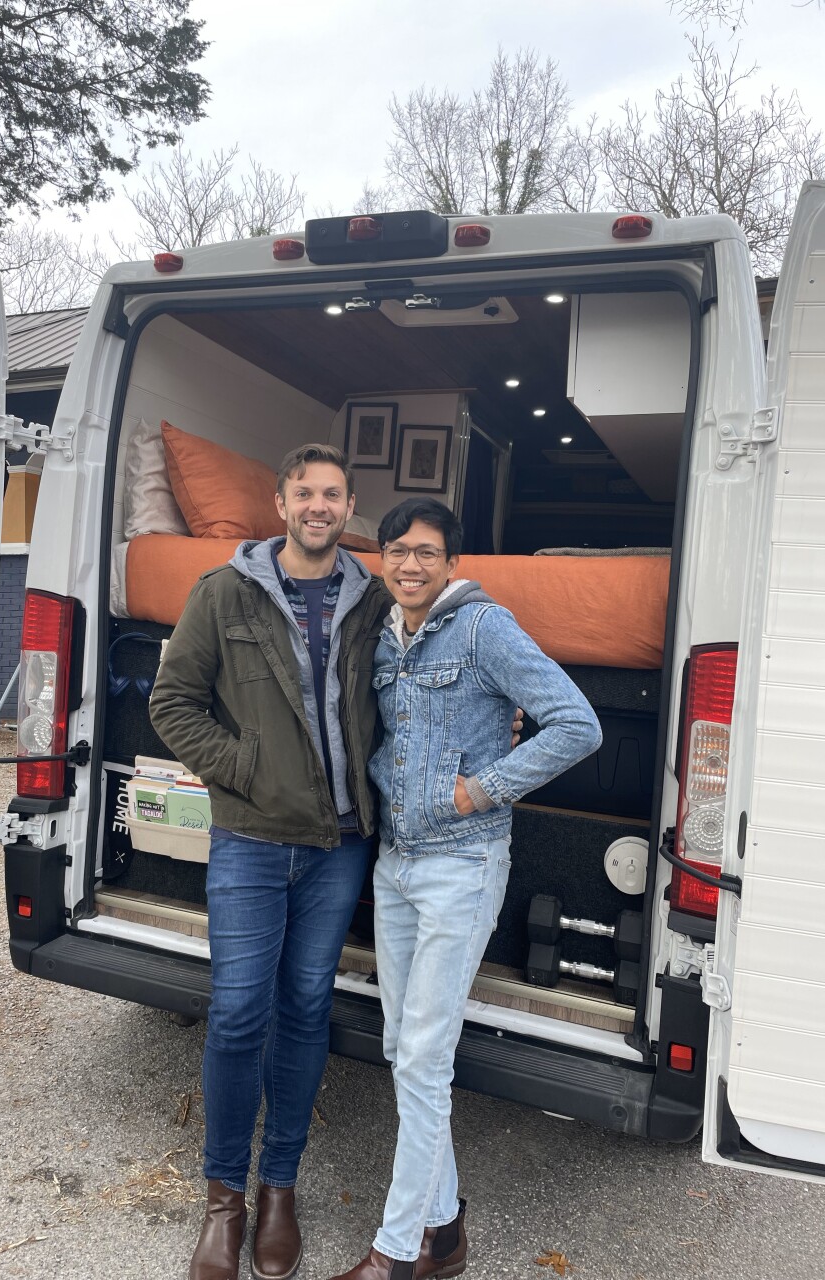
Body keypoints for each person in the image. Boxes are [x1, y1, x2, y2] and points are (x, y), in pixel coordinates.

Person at [330, 498, 603, 1280]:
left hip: (462, 863)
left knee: (422, 1055)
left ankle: (394, 1253)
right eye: (396, 551)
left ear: (452, 562)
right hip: (398, 863)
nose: (409, 565)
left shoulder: (484, 628)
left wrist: (481, 789)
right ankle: (444, 1231)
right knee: (398, 1046)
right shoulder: (384, 634)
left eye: (425, 552)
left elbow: (576, 724)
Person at [149, 444, 394, 1280]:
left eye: (333, 493)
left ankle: (278, 1187)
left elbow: (422, 682)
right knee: (238, 1013)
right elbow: (171, 702)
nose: (319, 505)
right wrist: (245, 770)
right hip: (251, 840)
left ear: (348, 503)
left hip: (338, 847)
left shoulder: (374, 600)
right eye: (305, 493)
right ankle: (224, 1199)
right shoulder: (224, 592)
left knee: (303, 1010)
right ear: (280, 502)